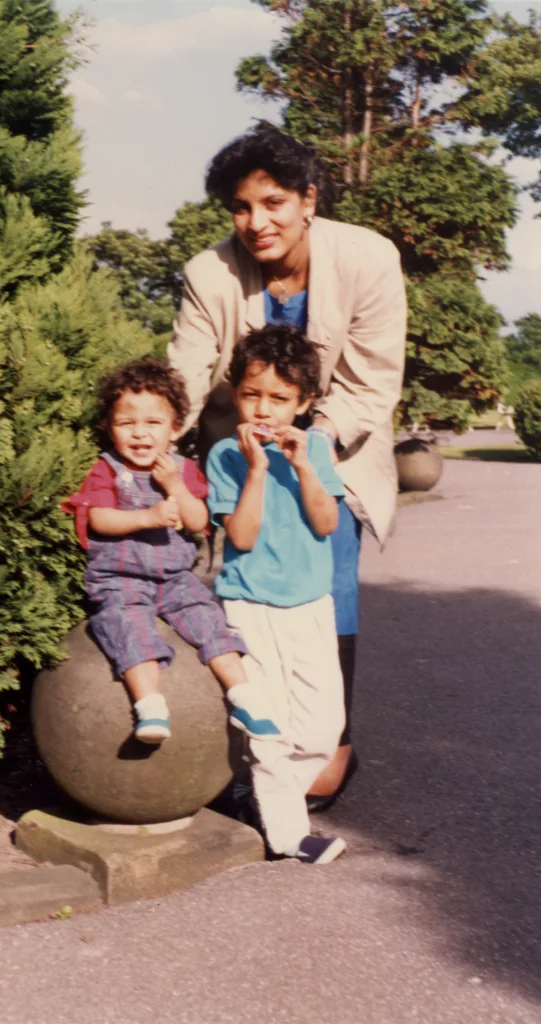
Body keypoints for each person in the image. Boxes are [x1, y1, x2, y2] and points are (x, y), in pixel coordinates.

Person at [168, 125, 407, 807]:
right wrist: (154, 440)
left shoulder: (367, 259)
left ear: (308, 198)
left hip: (335, 445)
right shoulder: (207, 272)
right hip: (238, 449)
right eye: (241, 208)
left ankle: (330, 740)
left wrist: (310, 448)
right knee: (245, 593)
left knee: (325, 574)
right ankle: (255, 743)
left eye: (272, 203)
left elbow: (370, 384)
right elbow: (185, 374)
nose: (256, 223)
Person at [61, 357, 280, 745]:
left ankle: (244, 695)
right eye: (127, 423)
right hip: (120, 578)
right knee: (129, 627)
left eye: (153, 423)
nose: (140, 434)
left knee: (210, 623)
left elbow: (197, 521)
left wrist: (175, 486)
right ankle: (150, 706)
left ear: (175, 429)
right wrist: (149, 515)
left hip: (175, 579)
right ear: (110, 428)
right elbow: (98, 519)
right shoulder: (107, 469)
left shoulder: (183, 469)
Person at [207, 324, 346, 864]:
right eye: (251, 394)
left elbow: (326, 521)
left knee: (321, 725)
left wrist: (303, 464)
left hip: (310, 604)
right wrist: (259, 470)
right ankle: (288, 833)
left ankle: (260, 795)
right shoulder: (225, 454)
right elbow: (239, 536)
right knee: (271, 724)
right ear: (235, 391)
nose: (264, 410)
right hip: (250, 604)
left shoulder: (314, 447)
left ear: (305, 402)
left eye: (280, 399)